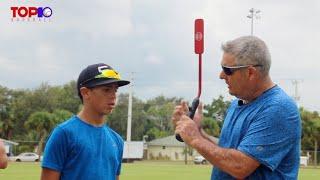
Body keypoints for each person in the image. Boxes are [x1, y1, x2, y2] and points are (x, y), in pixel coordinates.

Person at [172, 36, 301, 179]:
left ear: (250, 72)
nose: (221, 76)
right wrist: (198, 131)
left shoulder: (278, 108)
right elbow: (225, 151)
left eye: (227, 70)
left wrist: (195, 139)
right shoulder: (236, 104)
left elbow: (240, 165)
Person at [41, 63, 130, 180]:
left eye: (115, 90)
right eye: (107, 90)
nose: (113, 96)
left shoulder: (116, 140)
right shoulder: (64, 134)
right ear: (85, 93)